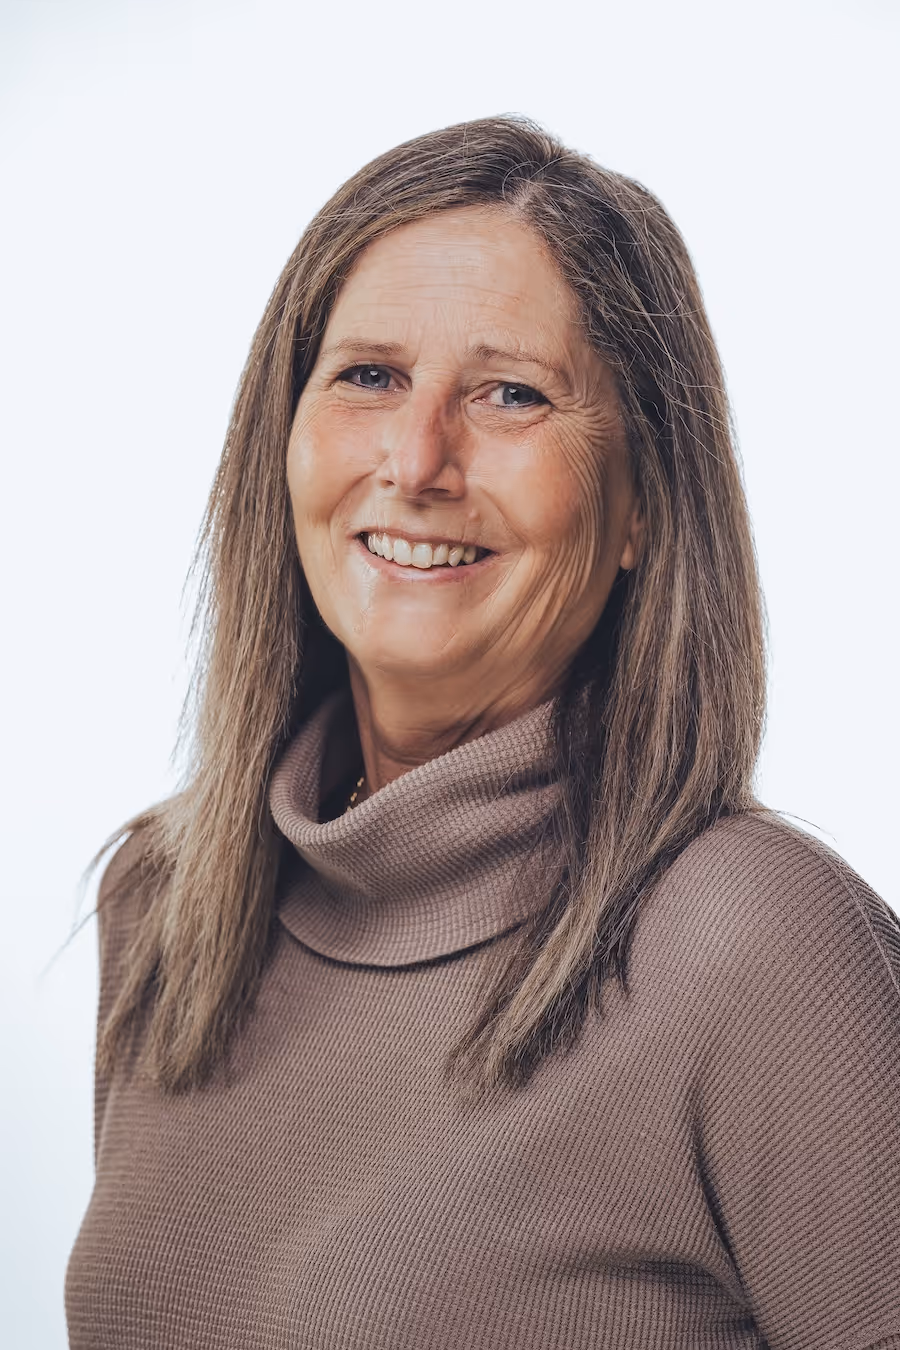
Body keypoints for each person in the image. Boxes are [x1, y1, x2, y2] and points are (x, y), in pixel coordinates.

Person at [65, 115, 900, 1350]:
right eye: (368, 376)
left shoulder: (757, 949)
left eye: (511, 394)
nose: (416, 460)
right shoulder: (171, 906)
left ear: (639, 508)